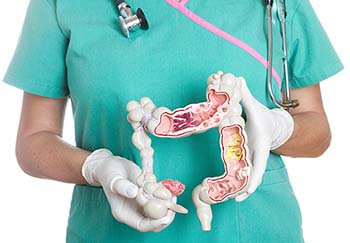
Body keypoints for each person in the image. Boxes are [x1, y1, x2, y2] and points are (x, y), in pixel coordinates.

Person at [2, 0, 343, 242]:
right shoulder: (62, 4)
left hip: (258, 230)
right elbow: (34, 139)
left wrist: (278, 128)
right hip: (112, 234)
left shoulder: (274, 5)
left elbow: (317, 131)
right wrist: (96, 167)